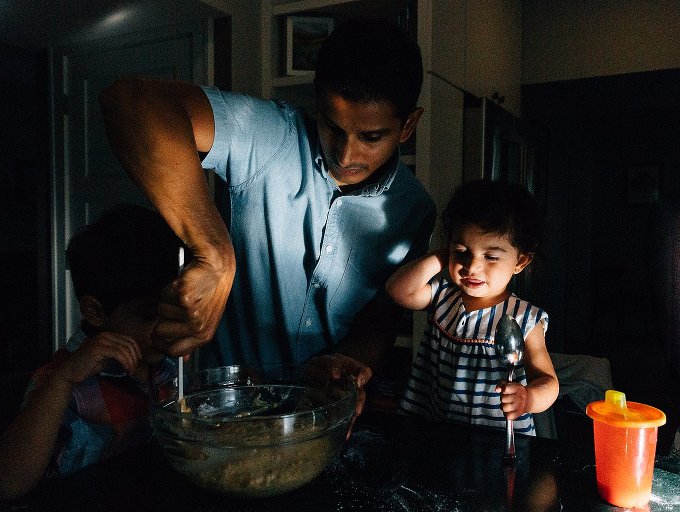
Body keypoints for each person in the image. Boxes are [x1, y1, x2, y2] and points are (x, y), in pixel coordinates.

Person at [98, 18, 436, 391]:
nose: (345, 154)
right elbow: (131, 102)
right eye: (332, 126)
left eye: (371, 137)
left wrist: (346, 366)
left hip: (321, 416)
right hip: (222, 409)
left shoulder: (414, 210)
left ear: (408, 126)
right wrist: (214, 254)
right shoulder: (271, 135)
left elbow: (379, 321)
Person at [0, 204, 182, 500]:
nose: (165, 328)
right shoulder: (61, 382)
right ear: (95, 311)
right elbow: (7, 484)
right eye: (147, 315)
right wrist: (63, 380)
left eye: (171, 313)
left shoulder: (164, 366)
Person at [386, 179, 559, 434]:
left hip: (497, 439)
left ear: (519, 262)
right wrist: (444, 255)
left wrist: (528, 398)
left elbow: (548, 382)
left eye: (490, 256)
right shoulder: (443, 297)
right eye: (462, 251)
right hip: (435, 430)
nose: (472, 266)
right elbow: (398, 290)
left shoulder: (524, 319)